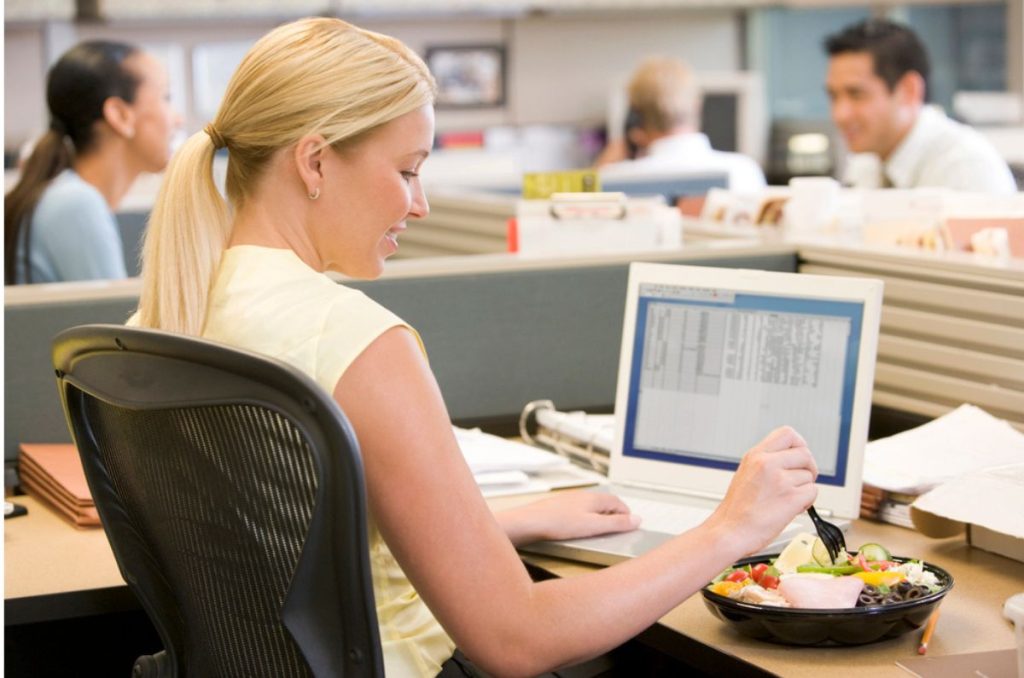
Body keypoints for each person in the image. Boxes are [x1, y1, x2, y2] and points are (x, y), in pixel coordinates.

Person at [135, 18, 818, 677]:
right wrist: (731, 528)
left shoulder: (166, 316)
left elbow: (286, 535)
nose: (421, 204)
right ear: (315, 161)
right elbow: (516, 640)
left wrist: (502, 524)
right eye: (407, 171)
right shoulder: (356, 341)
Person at [4, 40, 182, 284]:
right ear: (119, 115)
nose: (178, 119)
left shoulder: (67, 196)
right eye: (166, 97)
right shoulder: (76, 204)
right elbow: (112, 311)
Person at [824, 18, 1016, 194]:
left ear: (909, 89)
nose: (840, 115)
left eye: (856, 95)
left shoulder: (965, 169)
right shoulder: (865, 163)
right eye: (833, 96)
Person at [597, 57, 767, 193]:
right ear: (697, 106)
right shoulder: (744, 171)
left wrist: (602, 168)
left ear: (636, 116)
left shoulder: (613, 179)